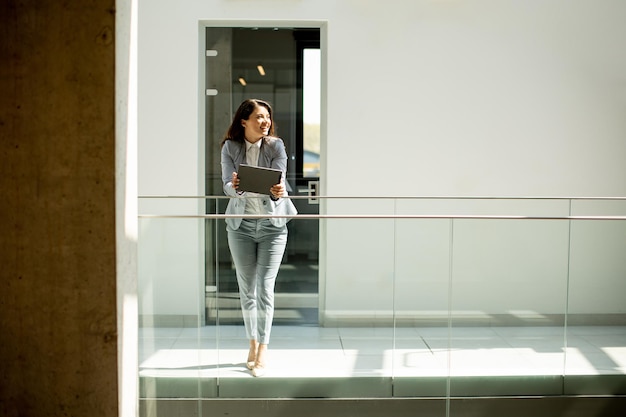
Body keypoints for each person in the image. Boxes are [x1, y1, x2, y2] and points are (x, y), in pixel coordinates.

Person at [220, 98, 297, 377]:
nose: (264, 122)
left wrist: (277, 191)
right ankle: (251, 344)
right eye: (258, 117)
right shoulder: (231, 147)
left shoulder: (275, 146)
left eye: (267, 117)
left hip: (272, 226)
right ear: (244, 121)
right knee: (247, 290)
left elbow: (281, 180)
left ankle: (263, 348)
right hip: (240, 226)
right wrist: (234, 186)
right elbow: (227, 184)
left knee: (264, 288)